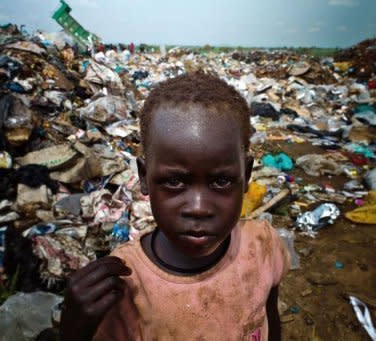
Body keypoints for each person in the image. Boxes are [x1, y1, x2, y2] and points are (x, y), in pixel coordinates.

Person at [60, 72, 290, 341]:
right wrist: (73, 332)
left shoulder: (262, 246)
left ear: (246, 175)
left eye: (221, 181)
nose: (198, 207)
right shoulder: (126, 286)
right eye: (174, 181)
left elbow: (269, 318)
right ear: (145, 178)